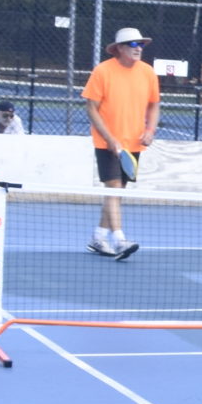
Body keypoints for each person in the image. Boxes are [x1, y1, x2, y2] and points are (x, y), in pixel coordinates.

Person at [79, 27, 158, 259]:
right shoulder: (102, 71)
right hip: (107, 143)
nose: (138, 49)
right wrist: (109, 138)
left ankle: (98, 236)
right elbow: (91, 108)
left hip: (133, 144)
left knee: (117, 192)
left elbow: (154, 104)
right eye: (133, 45)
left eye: (141, 44)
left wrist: (150, 130)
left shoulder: (147, 72)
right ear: (120, 48)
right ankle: (120, 240)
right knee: (114, 189)